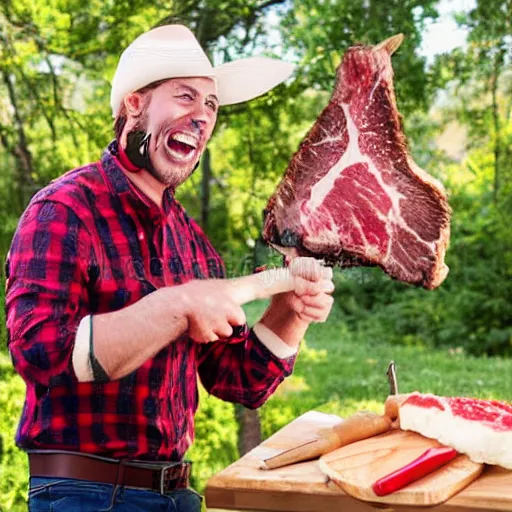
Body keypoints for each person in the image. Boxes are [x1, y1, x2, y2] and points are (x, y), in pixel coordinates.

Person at [5, 24, 335, 512]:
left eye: (211, 105)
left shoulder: (192, 243)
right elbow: (39, 353)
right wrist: (176, 305)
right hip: (82, 494)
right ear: (135, 104)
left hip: (176, 495)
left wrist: (290, 311)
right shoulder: (64, 209)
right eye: (185, 97)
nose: (201, 117)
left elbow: (238, 381)